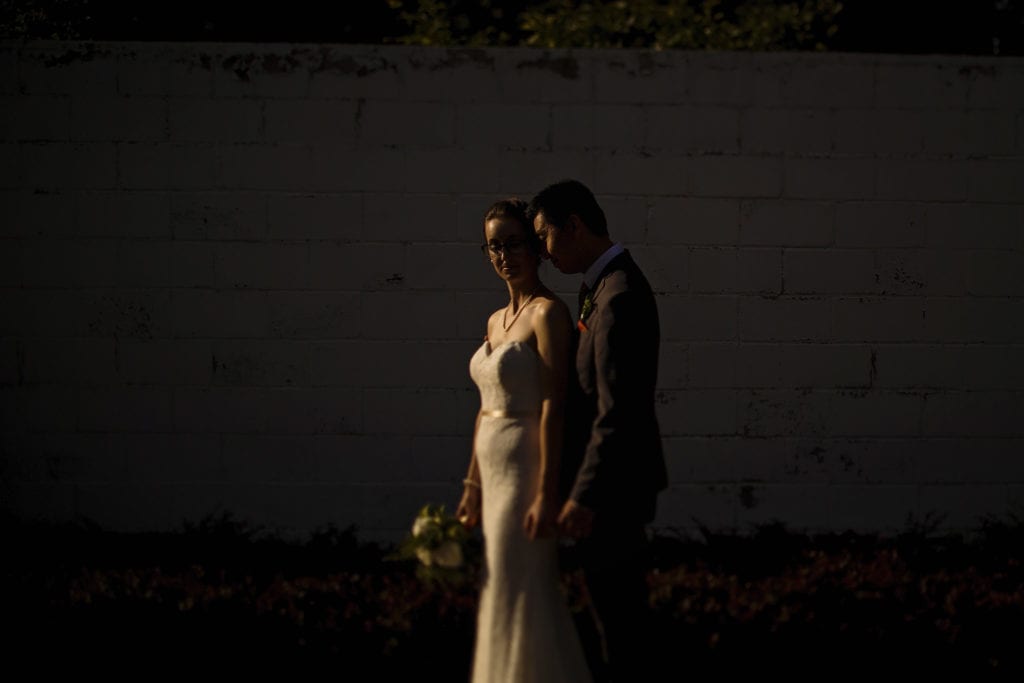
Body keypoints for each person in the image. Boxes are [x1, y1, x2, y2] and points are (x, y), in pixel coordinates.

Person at [528, 179, 668, 683]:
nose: (542, 253)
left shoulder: (619, 297)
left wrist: (582, 497)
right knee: (612, 625)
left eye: (544, 236)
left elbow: (618, 412)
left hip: (614, 495)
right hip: (611, 493)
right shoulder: (600, 285)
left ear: (574, 226)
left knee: (621, 631)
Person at [456, 198, 593, 683]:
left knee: (523, 585)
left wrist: (546, 490)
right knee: (498, 586)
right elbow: (484, 408)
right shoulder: (494, 321)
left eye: (514, 243)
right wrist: (471, 484)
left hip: (525, 469)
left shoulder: (548, 314)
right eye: (494, 246)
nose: (504, 255)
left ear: (535, 247)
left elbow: (556, 403)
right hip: (490, 476)